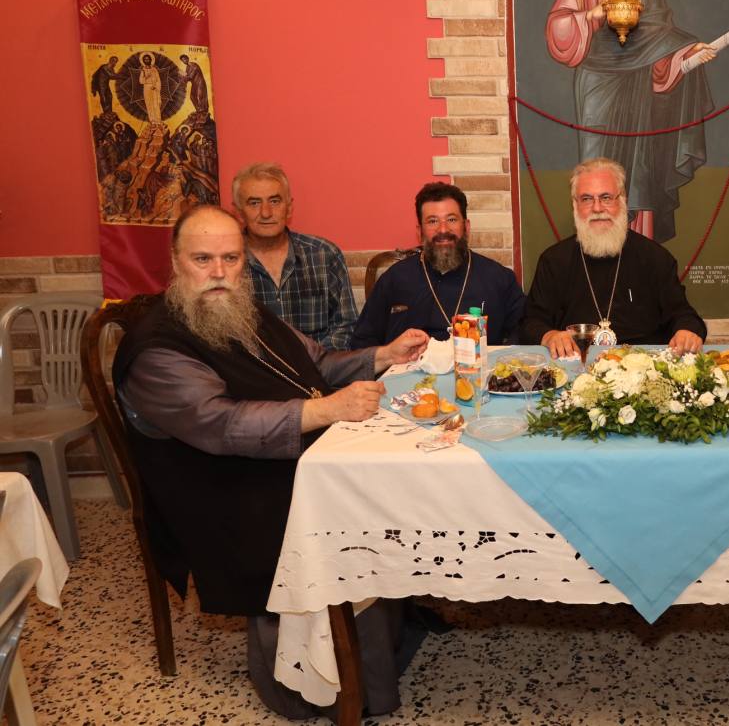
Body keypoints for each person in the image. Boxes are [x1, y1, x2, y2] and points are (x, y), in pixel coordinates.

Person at [113, 205, 432, 716]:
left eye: (231, 258)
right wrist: (328, 409)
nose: (219, 272)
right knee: (349, 498)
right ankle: (321, 684)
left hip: (281, 460)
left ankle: (383, 639)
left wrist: (382, 356)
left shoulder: (243, 312)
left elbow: (316, 363)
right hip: (223, 492)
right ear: (175, 262)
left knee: (385, 474)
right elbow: (221, 424)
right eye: (203, 259)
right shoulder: (157, 349)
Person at [546, 0, 718, 243]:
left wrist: (684, 54)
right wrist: (592, 15)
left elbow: (656, 28)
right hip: (597, 81)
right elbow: (558, 26)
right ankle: (595, 247)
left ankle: (638, 249)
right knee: (596, 168)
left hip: (639, 83)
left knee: (638, 171)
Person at [522, 157, 706, 354]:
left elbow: (684, 315)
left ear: (623, 200)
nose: (597, 208)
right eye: (587, 199)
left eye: (606, 198)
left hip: (642, 366)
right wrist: (549, 335)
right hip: (576, 363)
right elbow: (530, 322)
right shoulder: (554, 261)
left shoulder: (655, 258)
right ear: (575, 205)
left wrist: (687, 331)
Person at [351, 181, 526, 347]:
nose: (443, 229)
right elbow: (362, 342)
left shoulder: (499, 279)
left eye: (451, 219)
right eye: (432, 221)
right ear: (420, 231)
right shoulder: (394, 279)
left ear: (466, 227)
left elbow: (522, 336)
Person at [232, 162, 358, 350]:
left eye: (275, 201)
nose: (266, 213)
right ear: (239, 212)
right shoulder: (225, 264)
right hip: (254, 368)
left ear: (289, 208)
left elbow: (346, 326)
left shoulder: (324, 255)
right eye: (254, 203)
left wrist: (314, 362)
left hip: (320, 365)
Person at [139, 52, 163, 124]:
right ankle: (152, 120)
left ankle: (158, 120)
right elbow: (141, 81)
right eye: (145, 59)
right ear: (143, 61)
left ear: (150, 60)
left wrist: (155, 86)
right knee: (149, 104)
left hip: (154, 88)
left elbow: (158, 80)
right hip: (147, 88)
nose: (147, 60)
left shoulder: (154, 69)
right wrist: (146, 77)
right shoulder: (143, 70)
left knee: (156, 104)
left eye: (148, 59)